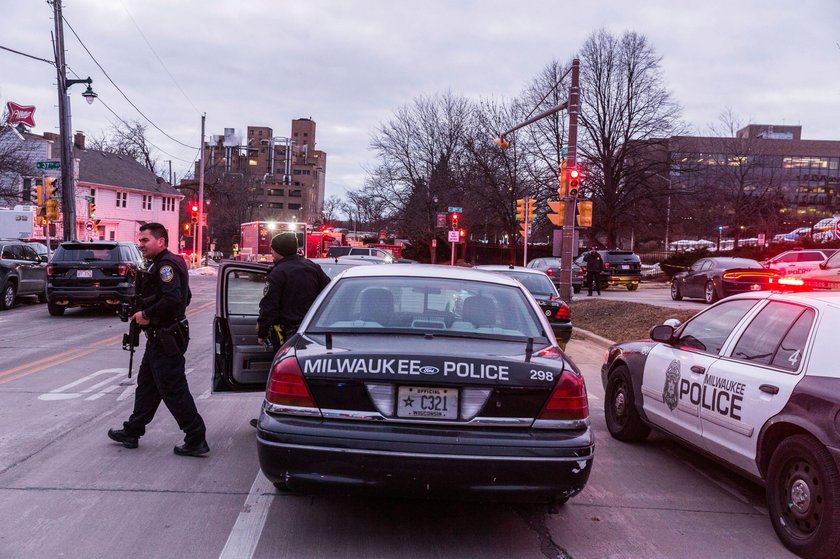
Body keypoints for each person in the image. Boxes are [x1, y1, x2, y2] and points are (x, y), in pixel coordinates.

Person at [108, 223, 209, 457]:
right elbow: (186, 296)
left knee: (173, 390)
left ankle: (196, 437)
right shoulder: (167, 262)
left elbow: (174, 299)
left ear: (161, 241)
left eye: (145, 241)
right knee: (147, 386)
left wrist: (147, 314)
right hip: (160, 336)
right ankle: (132, 430)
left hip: (167, 337)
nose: (140, 245)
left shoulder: (166, 266)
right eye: (139, 240)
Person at [257, 232, 331, 353]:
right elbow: (329, 294)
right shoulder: (312, 267)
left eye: (272, 249)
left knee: (287, 365)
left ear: (278, 251)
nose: (271, 253)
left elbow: (269, 307)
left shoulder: (278, 273)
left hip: (288, 333)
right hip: (313, 330)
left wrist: (262, 333)